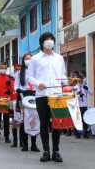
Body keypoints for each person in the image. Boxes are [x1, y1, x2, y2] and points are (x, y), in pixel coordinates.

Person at [27, 32, 67, 162]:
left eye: (51, 39)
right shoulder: (35, 59)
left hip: (56, 95)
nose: (49, 41)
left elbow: (62, 76)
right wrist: (38, 84)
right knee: (43, 124)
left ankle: (56, 151)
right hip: (42, 95)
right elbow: (29, 77)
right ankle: (46, 151)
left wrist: (69, 82)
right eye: (46, 39)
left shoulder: (59, 58)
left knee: (57, 124)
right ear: (42, 42)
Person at [15, 54, 40, 152]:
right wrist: (19, 90)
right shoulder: (19, 73)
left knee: (35, 120)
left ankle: (34, 144)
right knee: (23, 121)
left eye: (30, 59)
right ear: (23, 60)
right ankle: (24, 144)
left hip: (34, 97)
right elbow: (16, 85)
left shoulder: (36, 72)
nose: (28, 60)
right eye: (26, 59)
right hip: (23, 97)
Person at [74, 71, 91, 139]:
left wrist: (87, 89)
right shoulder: (76, 87)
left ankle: (85, 134)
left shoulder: (85, 86)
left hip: (84, 105)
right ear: (78, 81)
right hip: (78, 105)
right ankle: (77, 133)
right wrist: (78, 94)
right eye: (79, 81)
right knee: (78, 120)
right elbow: (73, 95)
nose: (81, 82)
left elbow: (91, 93)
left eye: (82, 80)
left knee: (85, 120)